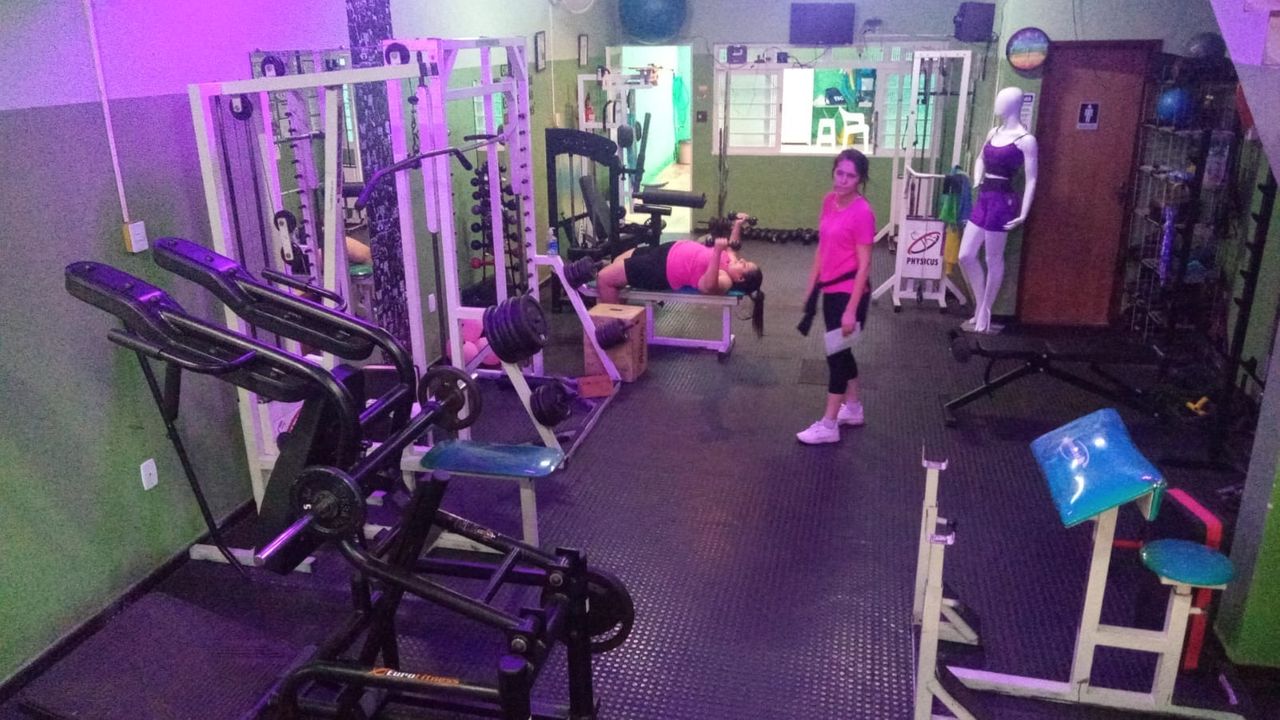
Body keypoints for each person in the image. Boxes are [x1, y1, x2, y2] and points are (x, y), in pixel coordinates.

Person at [796, 148, 875, 445]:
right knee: (841, 351)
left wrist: (851, 310)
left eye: (850, 176)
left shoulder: (863, 212)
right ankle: (852, 408)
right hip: (829, 289)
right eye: (839, 173)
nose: (843, 180)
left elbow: (865, 265)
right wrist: (811, 285)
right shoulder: (829, 201)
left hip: (850, 292)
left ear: (860, 180)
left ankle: (829, 425)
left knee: (836, 356)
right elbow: (823, 247)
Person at [594, 214, 766, 336]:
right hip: (662, 253)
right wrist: (738, 224)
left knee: (605, 279)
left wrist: (716, 252)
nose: (742, 260)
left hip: (660, 270)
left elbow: (708, 286)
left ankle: (613, 336)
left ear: (740, 278)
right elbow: (733, 245)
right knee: (617, 262)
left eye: (744, 265)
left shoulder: (725, 279)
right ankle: (624, 322)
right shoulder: (731, 261)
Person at [957, 86, 1039, 334]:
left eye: (1002, 99)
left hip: (1003, 201)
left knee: (993, 259)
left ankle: (986, 310)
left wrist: (1024, 213)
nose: (997, 103)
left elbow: (1032, 179)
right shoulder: (994, 132)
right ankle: (980, 305)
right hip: (984, 196)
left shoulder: (1025, 140)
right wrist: (977, 177)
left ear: (1013, 105)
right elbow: (981, 158)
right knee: (966, 255)